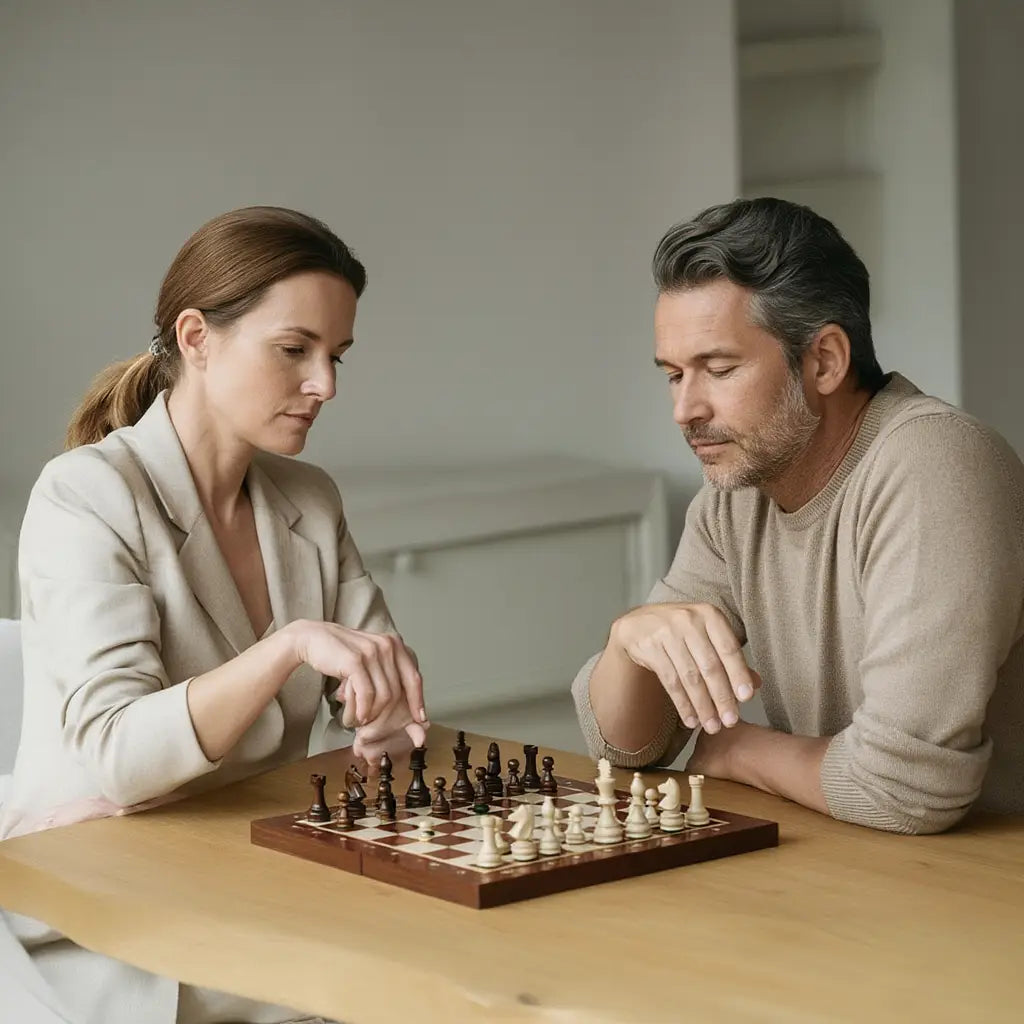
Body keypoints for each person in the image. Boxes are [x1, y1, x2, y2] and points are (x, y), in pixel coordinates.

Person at [0, 206, 428, 1023]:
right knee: (390, 987)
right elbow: (122, 756)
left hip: (253, 868)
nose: (325, 385)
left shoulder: (309, 498)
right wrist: (289, 645)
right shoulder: (86, 495)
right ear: (196, 338)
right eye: (294, 350)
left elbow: (378, 693)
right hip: (103, 906)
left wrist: (383, 715)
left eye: (335, 356)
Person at [572, 197, 1024, 836]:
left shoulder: (935, 463)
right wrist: (629, 641)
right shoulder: (738, 490)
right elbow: (627, 746)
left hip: (987, 891)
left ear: (825, 361)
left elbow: (904, 789)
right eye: (673, 375)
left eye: (719, 369)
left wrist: (738, 750)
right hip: (857, 865)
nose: (684, 409)